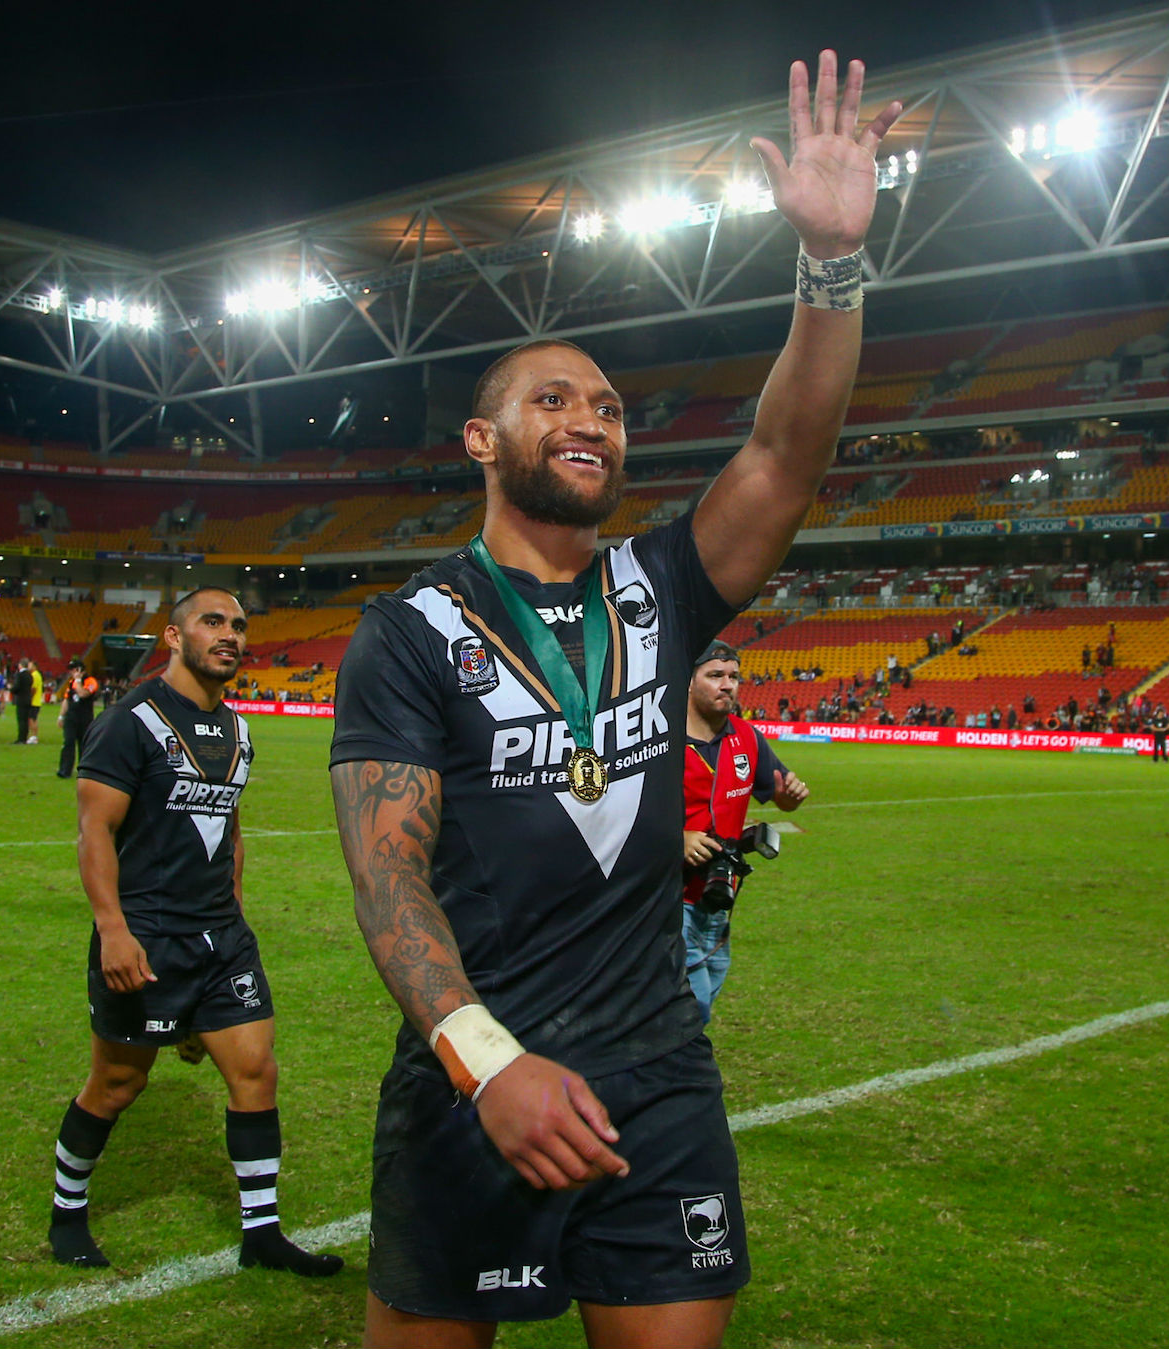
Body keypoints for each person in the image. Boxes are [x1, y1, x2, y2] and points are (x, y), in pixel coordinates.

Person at [327, 49, 900, 1346]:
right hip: (474, 1080)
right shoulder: (411, 631)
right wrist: (487, 1059)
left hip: (656, 1078)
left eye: (610, 405)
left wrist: (829, 265)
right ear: (483, 440)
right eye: (553, 399)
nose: (590, 417)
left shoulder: (666, 585)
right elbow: (386, 879)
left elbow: (787, 450)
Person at [47, 586, 341, 1278]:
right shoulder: (131, 721)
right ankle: (67, 1213)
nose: (230, 634)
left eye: (239, 624)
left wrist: (235, 907)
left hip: (221, 938)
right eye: (213, 622)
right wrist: (113, 931)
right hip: (147, 941)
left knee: (255, 1069)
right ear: (174, 637)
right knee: (118, 1083)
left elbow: (228, 829)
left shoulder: (239, 729)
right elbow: (96, 831)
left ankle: (261, 1232)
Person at [678, 643, 807, 1021]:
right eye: (715, 675)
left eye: (733, 676)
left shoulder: (748, 738)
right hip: (667, 897)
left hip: (718, 897)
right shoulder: (660, 738)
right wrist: (677, 839)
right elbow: (618, 813)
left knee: (707, 994)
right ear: (688, 680)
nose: (727, 685)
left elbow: (779, 795)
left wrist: (789, 798)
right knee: (692, 1008)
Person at [56, 658, 102, 779]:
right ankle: (65, 770)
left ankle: (85, 771)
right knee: (68, 743)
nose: (71, 672)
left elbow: (83, 694)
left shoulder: (91, 681)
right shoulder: (71, 683)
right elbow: (67, 700)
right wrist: (61, 716)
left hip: (85, 719)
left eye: (74, 670)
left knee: (84, 745)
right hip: (71, 718)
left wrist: (78, 680)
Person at [15, 657, 42, 745]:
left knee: (31, 719)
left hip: (34, 701)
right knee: (32, 719)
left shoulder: (34, 675)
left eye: (30, 665)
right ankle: (33, 736)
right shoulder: (35, 674)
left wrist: (29, 697)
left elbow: (33, 689)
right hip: (35, 701)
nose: (28, 666)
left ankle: (34, 737)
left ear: (34, 666)